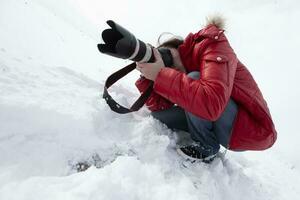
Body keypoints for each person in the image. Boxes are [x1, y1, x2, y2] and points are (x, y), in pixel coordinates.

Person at [135, 15, 277, 163]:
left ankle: (207, 146)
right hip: (217, 113)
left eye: (167, 54)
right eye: (166, 65)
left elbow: (211, 103)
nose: (169, 65)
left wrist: (161, 75)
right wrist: (149, 77)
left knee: (194, 79)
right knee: (160, 118)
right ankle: (203, 134)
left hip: (251, 128)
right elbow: (160, 107)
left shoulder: (213, 43)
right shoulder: (187, 73)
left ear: (179, 47)